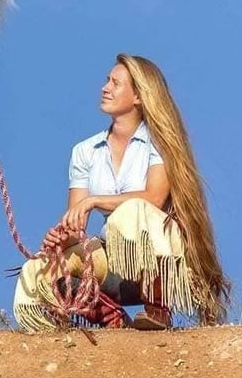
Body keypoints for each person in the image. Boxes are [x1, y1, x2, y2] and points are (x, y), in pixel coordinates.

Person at [13, 53, 230, 331]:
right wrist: (62, 239)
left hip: (160, 258)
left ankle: (158, 305)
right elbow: (77, 221)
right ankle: (109, 317)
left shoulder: (160, 142)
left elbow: (153, 198)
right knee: (39, 270)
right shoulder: (84, 152)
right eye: (107, 81)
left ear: (139, 96)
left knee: (132, 211)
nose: (105, 88)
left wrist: (94, 201)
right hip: (111, 261)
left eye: (115, 83)